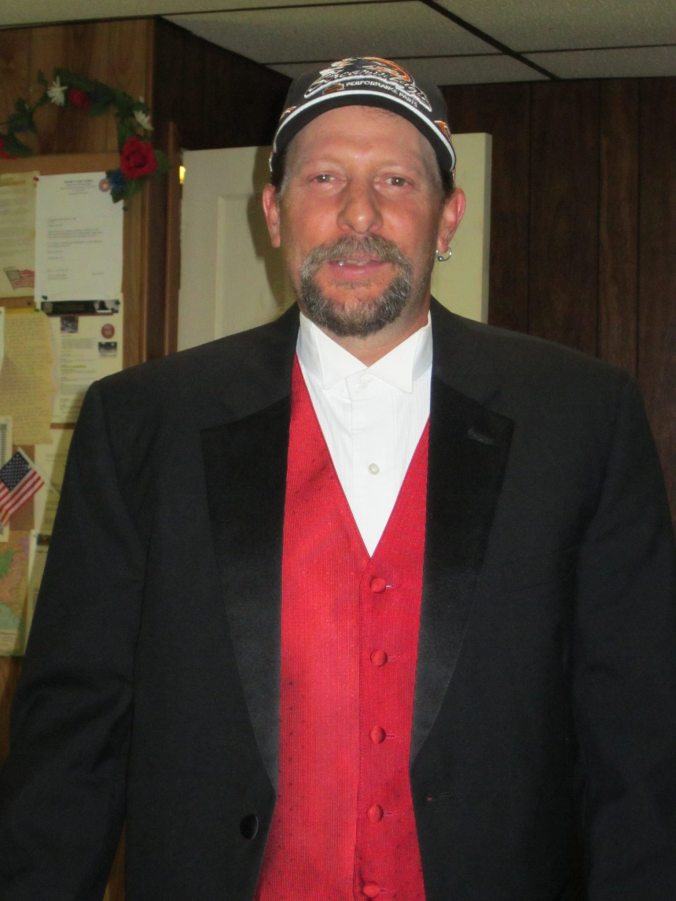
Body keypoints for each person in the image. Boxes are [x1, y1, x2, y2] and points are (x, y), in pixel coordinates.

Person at [1, 56, 675, 901]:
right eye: (324, 178)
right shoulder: (142, 423)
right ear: (273, 213)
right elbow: (71, 742)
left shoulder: (580, 417)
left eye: (395, 179)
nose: (359, 213)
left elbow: (638, 737)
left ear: (448, 216)